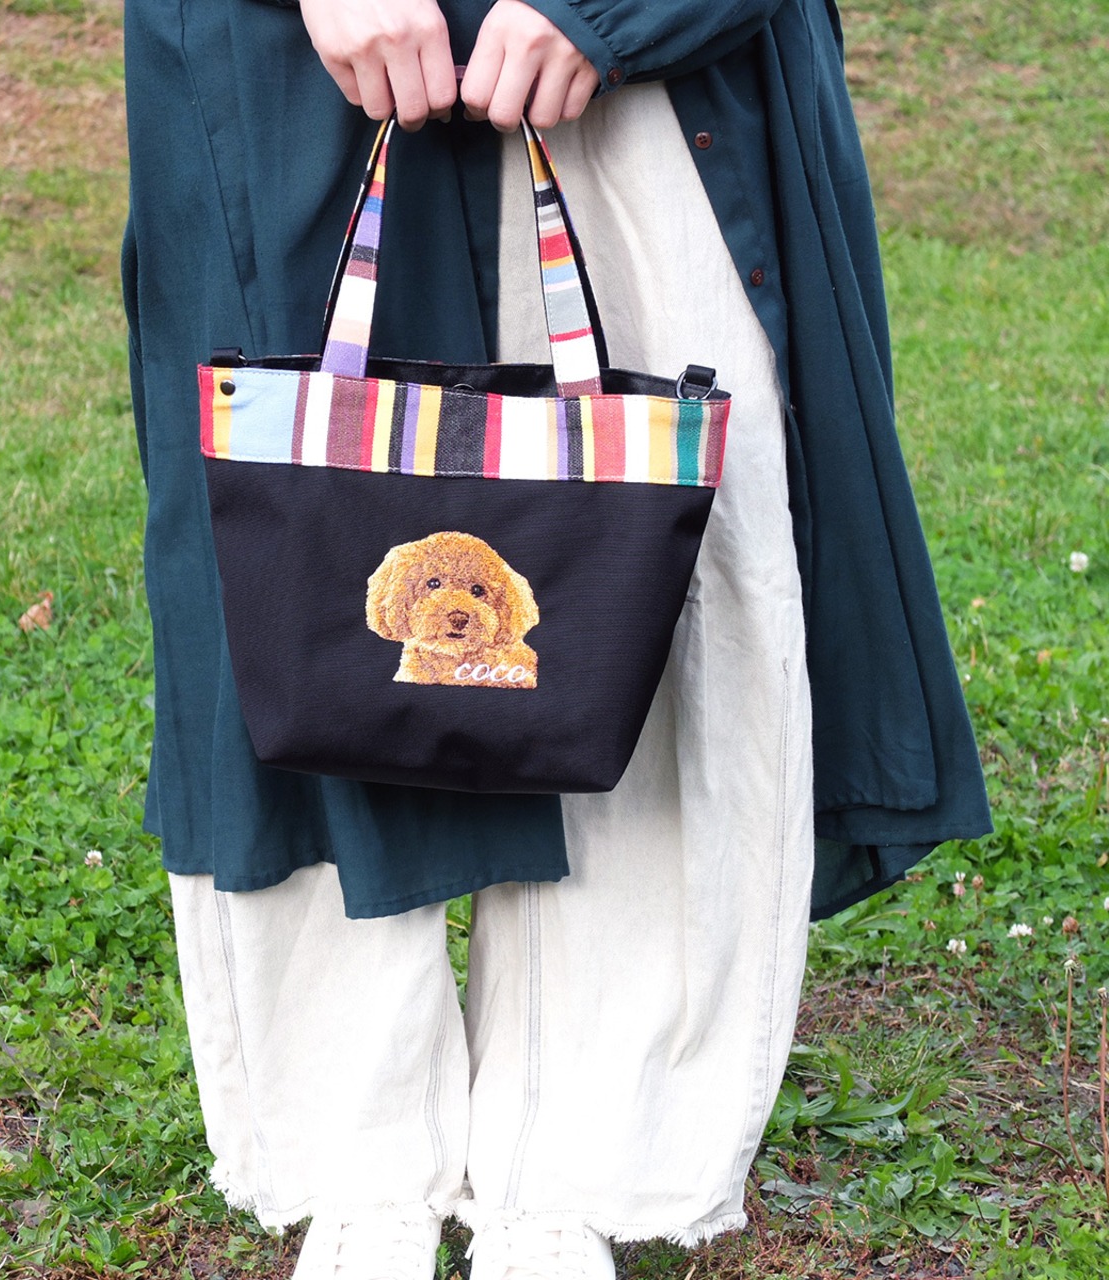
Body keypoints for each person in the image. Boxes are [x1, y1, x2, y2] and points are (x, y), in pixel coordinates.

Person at [121, 2, 991, 1277]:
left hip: (648, 86)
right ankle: (358, 1161)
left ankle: (585, 1151)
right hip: (293, 57)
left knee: (643, 568)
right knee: (296, 581)